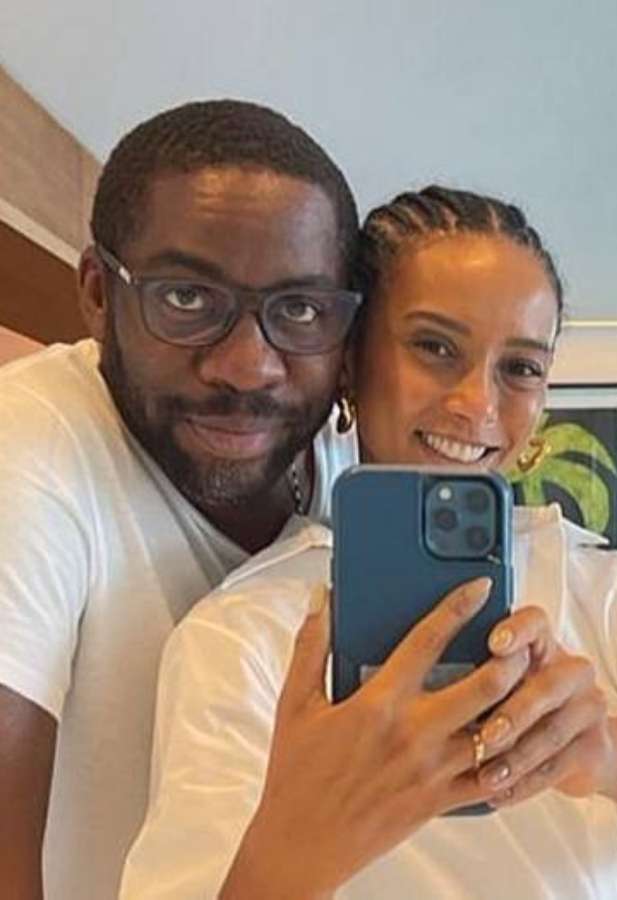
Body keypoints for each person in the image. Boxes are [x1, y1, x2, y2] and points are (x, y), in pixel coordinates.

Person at [121, 186, 617, 898]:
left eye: (520, 368)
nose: (477, 405)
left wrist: (603, 749)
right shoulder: (244, 630)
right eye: (434, 347)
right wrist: (303, 841)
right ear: (351, 365)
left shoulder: (595, 581)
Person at [0, 99, 363, 899]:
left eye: (300, 309)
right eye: (189, 299)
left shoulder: (348, 458)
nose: (248, 366)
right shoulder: (27, 446)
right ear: (99, 294)